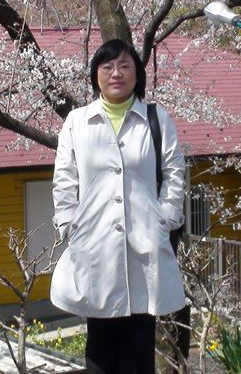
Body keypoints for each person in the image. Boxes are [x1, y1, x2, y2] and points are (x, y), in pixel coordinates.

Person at [50, 39, 186, 374]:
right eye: (108, 66)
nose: (116, 73)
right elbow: (64, 180)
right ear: (95, 74)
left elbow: (174, 172)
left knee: (140, 344)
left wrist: (166, 219)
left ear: (137, 74)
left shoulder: (155, 118)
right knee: (100, 346)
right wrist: (69, 225)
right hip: (96, 247)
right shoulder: (77, 122)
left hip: (144, 244)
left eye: (125, 66)